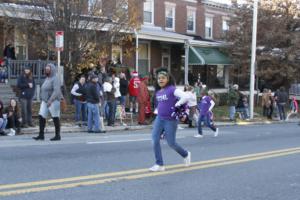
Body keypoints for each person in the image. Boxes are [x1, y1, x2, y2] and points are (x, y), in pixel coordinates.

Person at [149, 68, 191, 172]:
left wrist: (177, 104)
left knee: (171, 143)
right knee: (154, 140)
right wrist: (156, 112)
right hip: (160, 119)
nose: (160, 80)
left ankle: (186, 154)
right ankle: (159, 164)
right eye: (159, 78)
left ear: (168, 79)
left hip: (170, 120)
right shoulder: (158, 91)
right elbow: (160, 104)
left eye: (163, 78)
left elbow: (185, 96)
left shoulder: (172, 89)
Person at [33, 63, 62, 141]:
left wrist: (50, 100)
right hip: (45, 101)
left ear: (52, 70)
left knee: (55, 117)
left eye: (48, 69)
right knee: (41, 116)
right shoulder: (47, 78)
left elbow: (56, 91)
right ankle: (41, 135)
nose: (46, 70)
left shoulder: (55, 78)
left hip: (53, 101)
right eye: (46, 69)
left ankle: (57, 135)